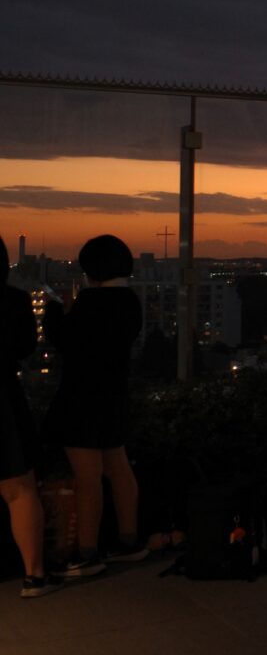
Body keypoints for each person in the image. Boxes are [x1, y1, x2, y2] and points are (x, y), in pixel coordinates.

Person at [43, 234, 147, 577]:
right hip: (114, 395)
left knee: (87, 477)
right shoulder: (130, 301)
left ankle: (87, 552)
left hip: (82, 398)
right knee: (118, 467)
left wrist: (54, 309)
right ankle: (129, 540)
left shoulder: (91, 302)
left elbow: (65, 340)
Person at [1, 237, 63, 598]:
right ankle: (34, 574)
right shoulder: (14, 300)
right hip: (2, 399)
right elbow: (25, 347)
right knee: (19, 488)